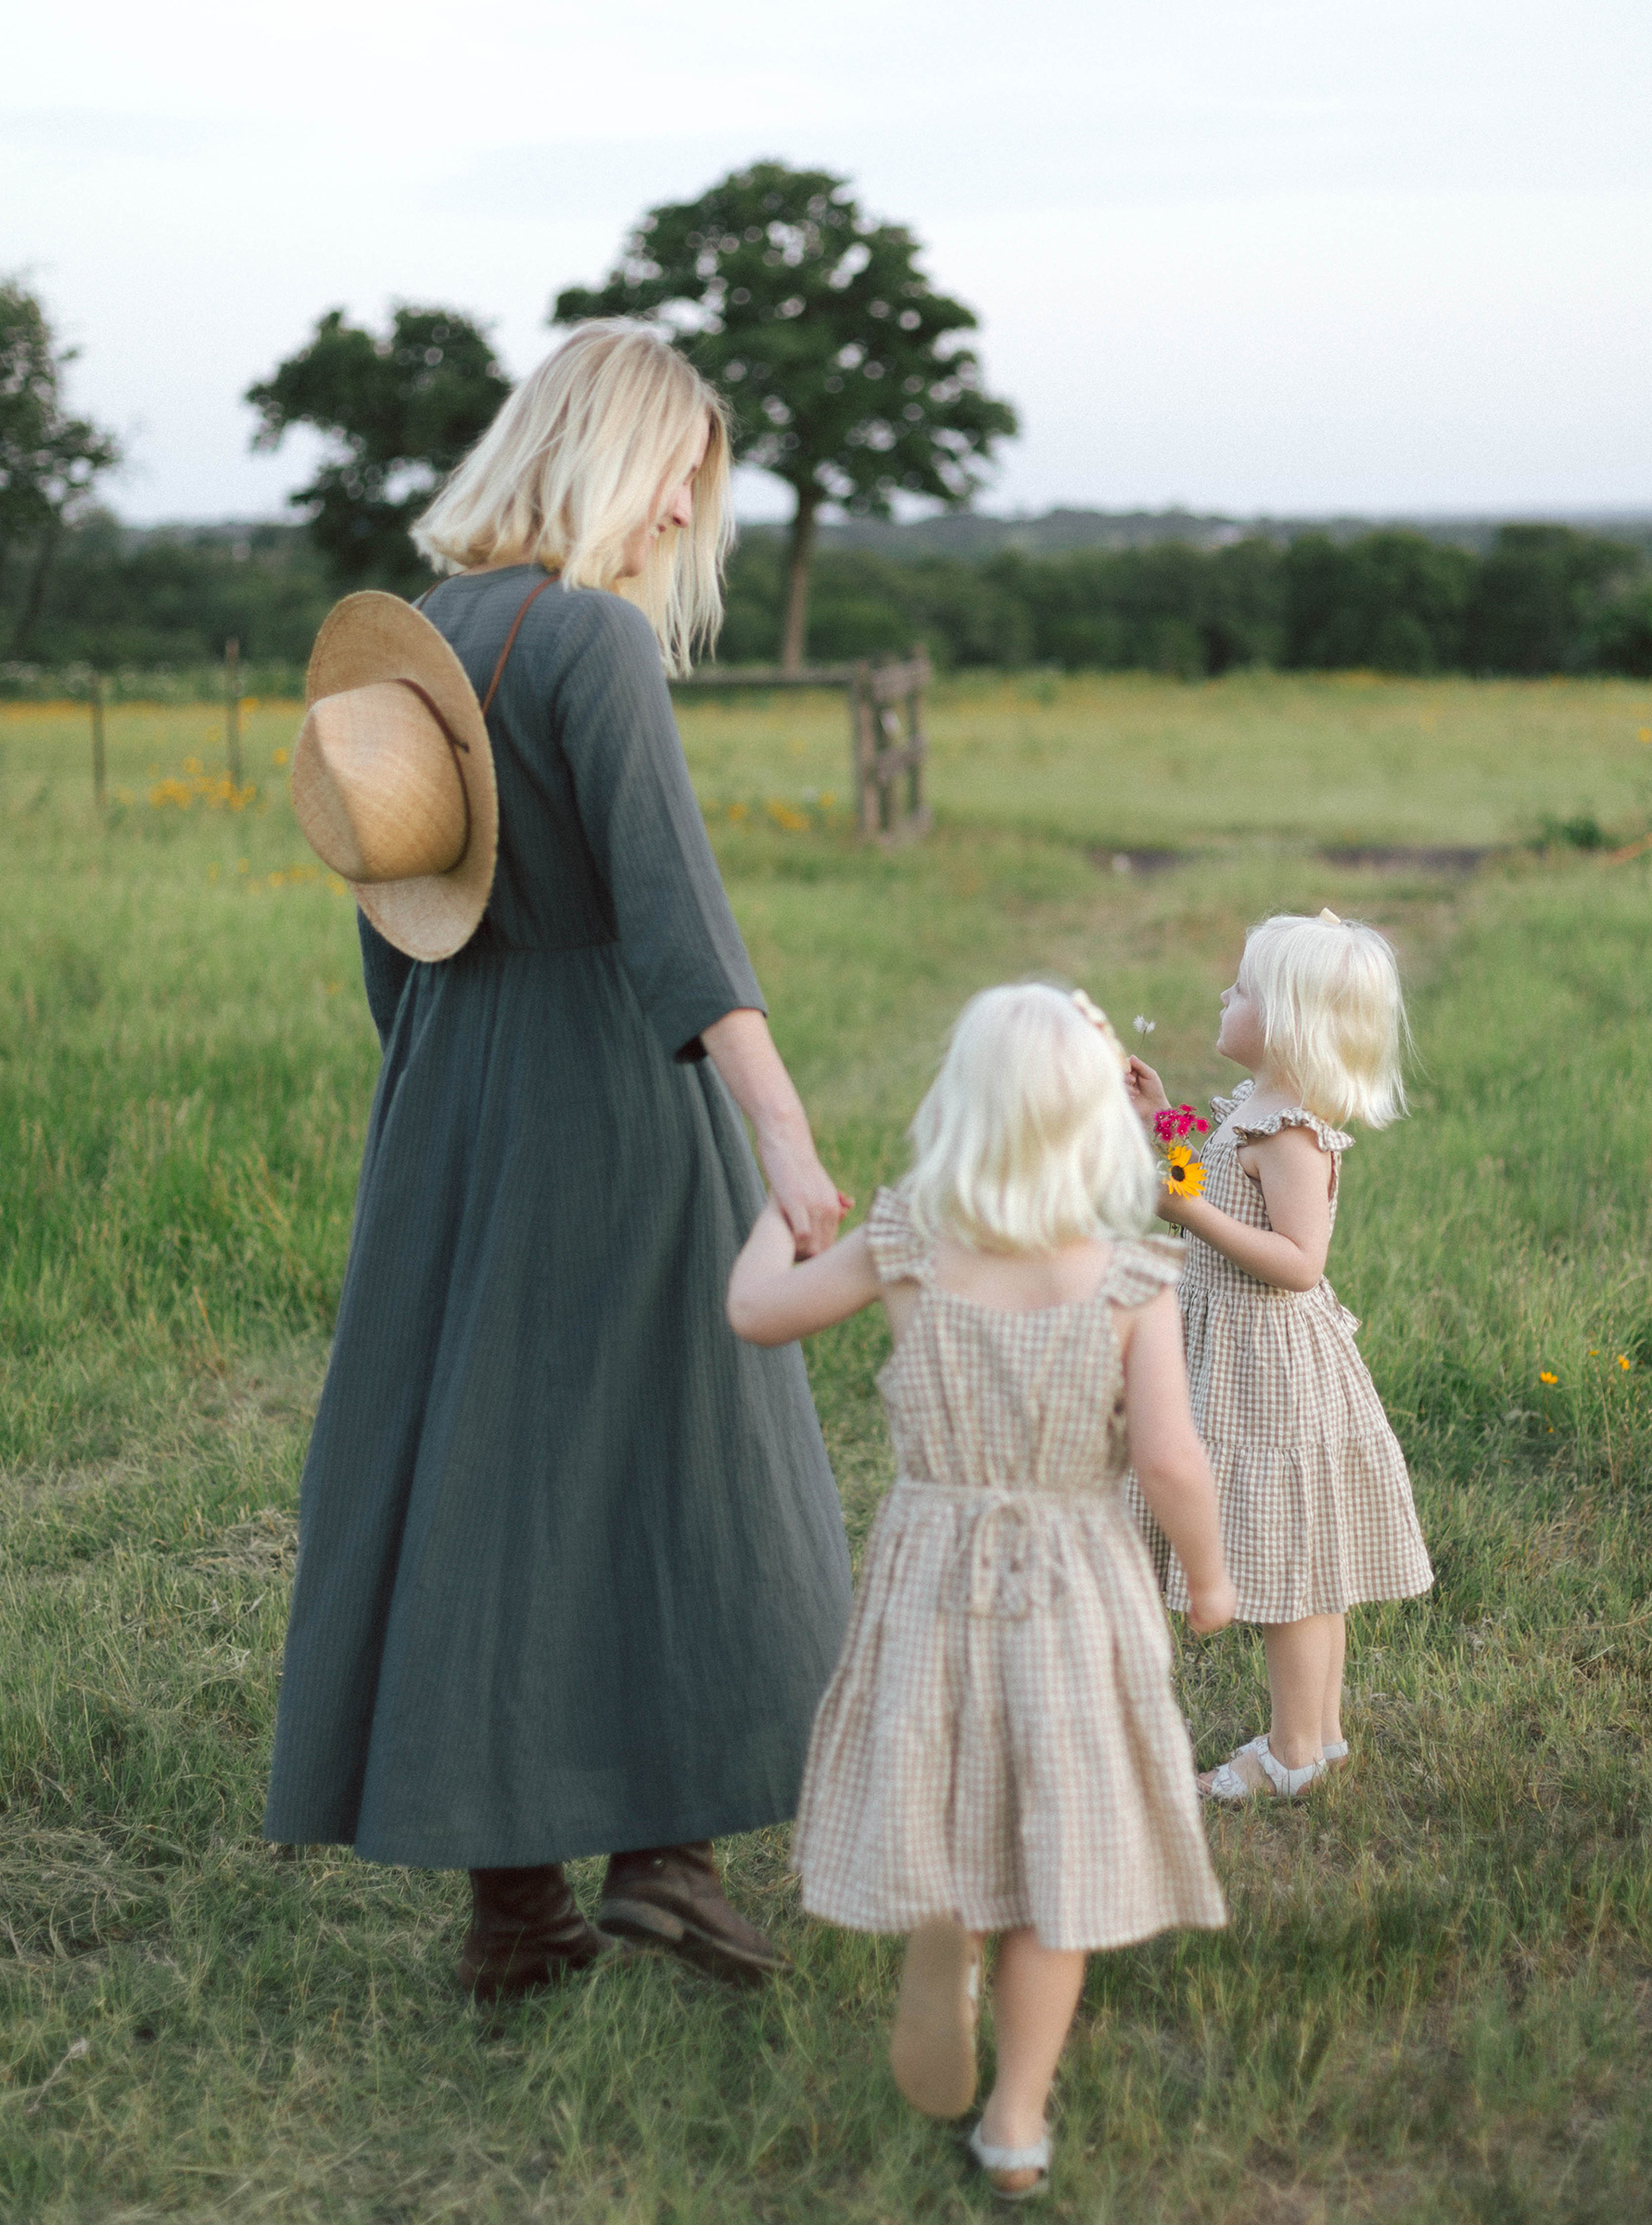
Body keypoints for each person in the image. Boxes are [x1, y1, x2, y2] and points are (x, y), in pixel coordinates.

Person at [264, 321, 854, 1997]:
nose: (683, 511)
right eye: (679, 470)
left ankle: (512, 1912)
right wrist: (786, 1131)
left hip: (452, 1088)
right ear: (610, 456)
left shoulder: (425, 636)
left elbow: (396, 936)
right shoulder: (592, 640)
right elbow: (678, 918)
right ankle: (666, 1850)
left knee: (489, 1482)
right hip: (615, 1077)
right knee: (689, 1453)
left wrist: (451, 1100)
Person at [727, 984, 1235, 2201]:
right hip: (1075, 1588)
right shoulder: (1133, 1277)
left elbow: (755, 1314)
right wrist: (1209, 1578)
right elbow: (1168, 1460)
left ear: (958, 1110)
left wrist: (775, 1212)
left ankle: (946, 1918)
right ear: (1097, 1130)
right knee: (1062, 1837)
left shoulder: (905, 1239)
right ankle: (1015, 2120)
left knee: (951, 1762)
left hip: (932, 1573)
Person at [1125, 909, 1433, 1803]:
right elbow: (1209, 1167)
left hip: (1271, 1366)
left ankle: (1292, 1752)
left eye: (1244, 989)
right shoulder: (1253, 1114)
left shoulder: (1294, 1136)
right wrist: (1160, 1118)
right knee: (1301, 1562)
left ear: (1289, 1021)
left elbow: (1300, 1263)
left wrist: (1186, 1217)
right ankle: (1320, 1740)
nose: (1226, 996)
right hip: (1237, 1355)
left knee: (1289, 1565)